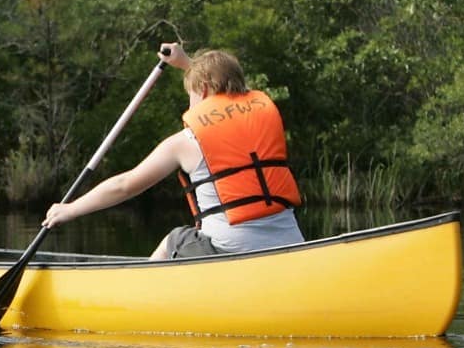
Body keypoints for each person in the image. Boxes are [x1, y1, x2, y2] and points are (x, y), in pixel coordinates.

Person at [42, 42, 304, 258]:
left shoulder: (185, 142)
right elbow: (219, 85)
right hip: (290, 246)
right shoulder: (263, 117)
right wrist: (187, 63)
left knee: (175, 239)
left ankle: (143, 300)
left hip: (231, 252)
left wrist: (69, 210)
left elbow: (125, 185)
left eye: (190, 93)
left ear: (201, 90)